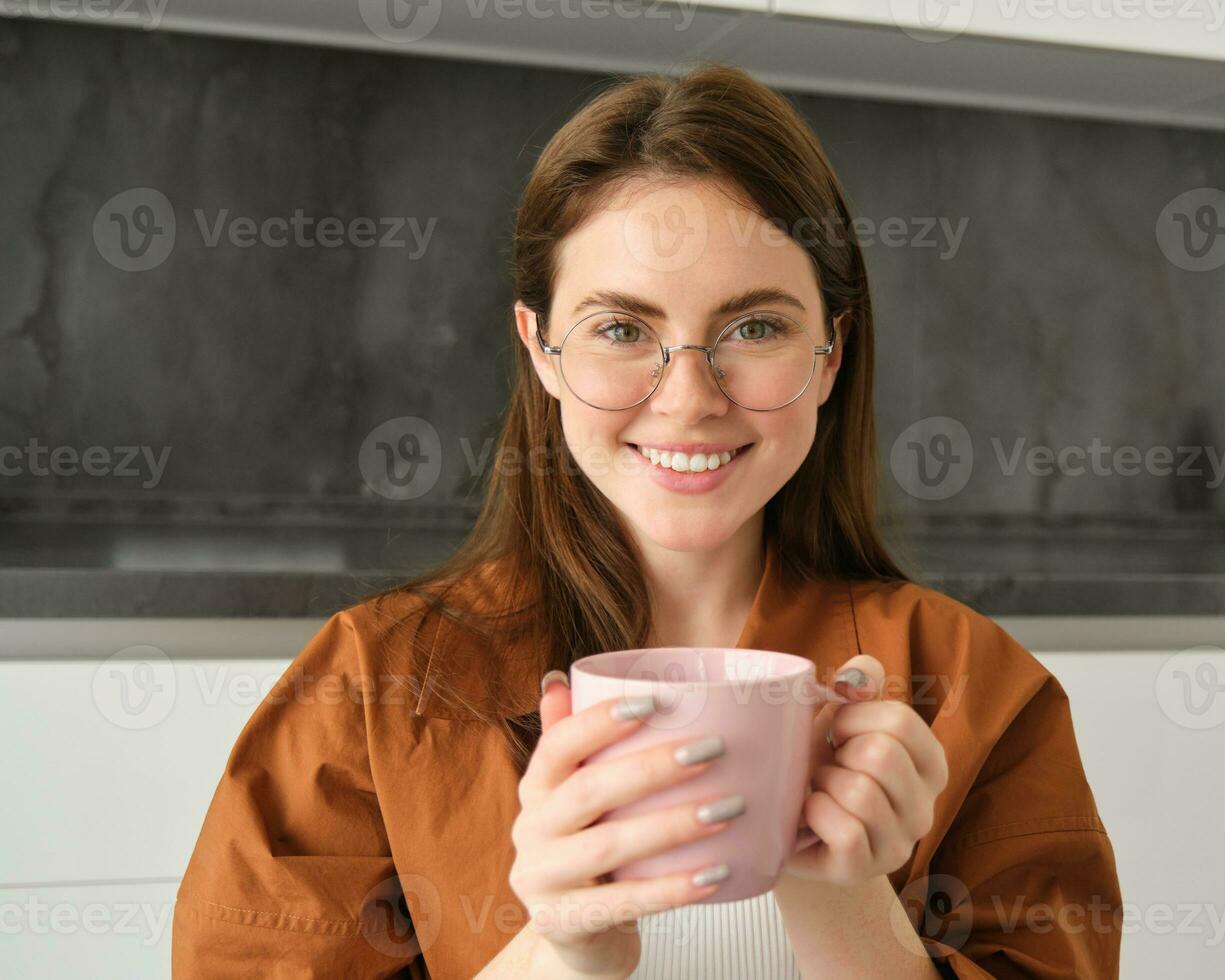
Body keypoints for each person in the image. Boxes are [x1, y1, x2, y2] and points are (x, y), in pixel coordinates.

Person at [172, 63, 1122, 979]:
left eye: (755, 327)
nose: (688, 400)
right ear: (540, 351)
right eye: (623, 330)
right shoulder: (366, 694)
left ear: (832, 354)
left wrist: (851, 907)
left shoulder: (984, 697)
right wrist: (562, 955)